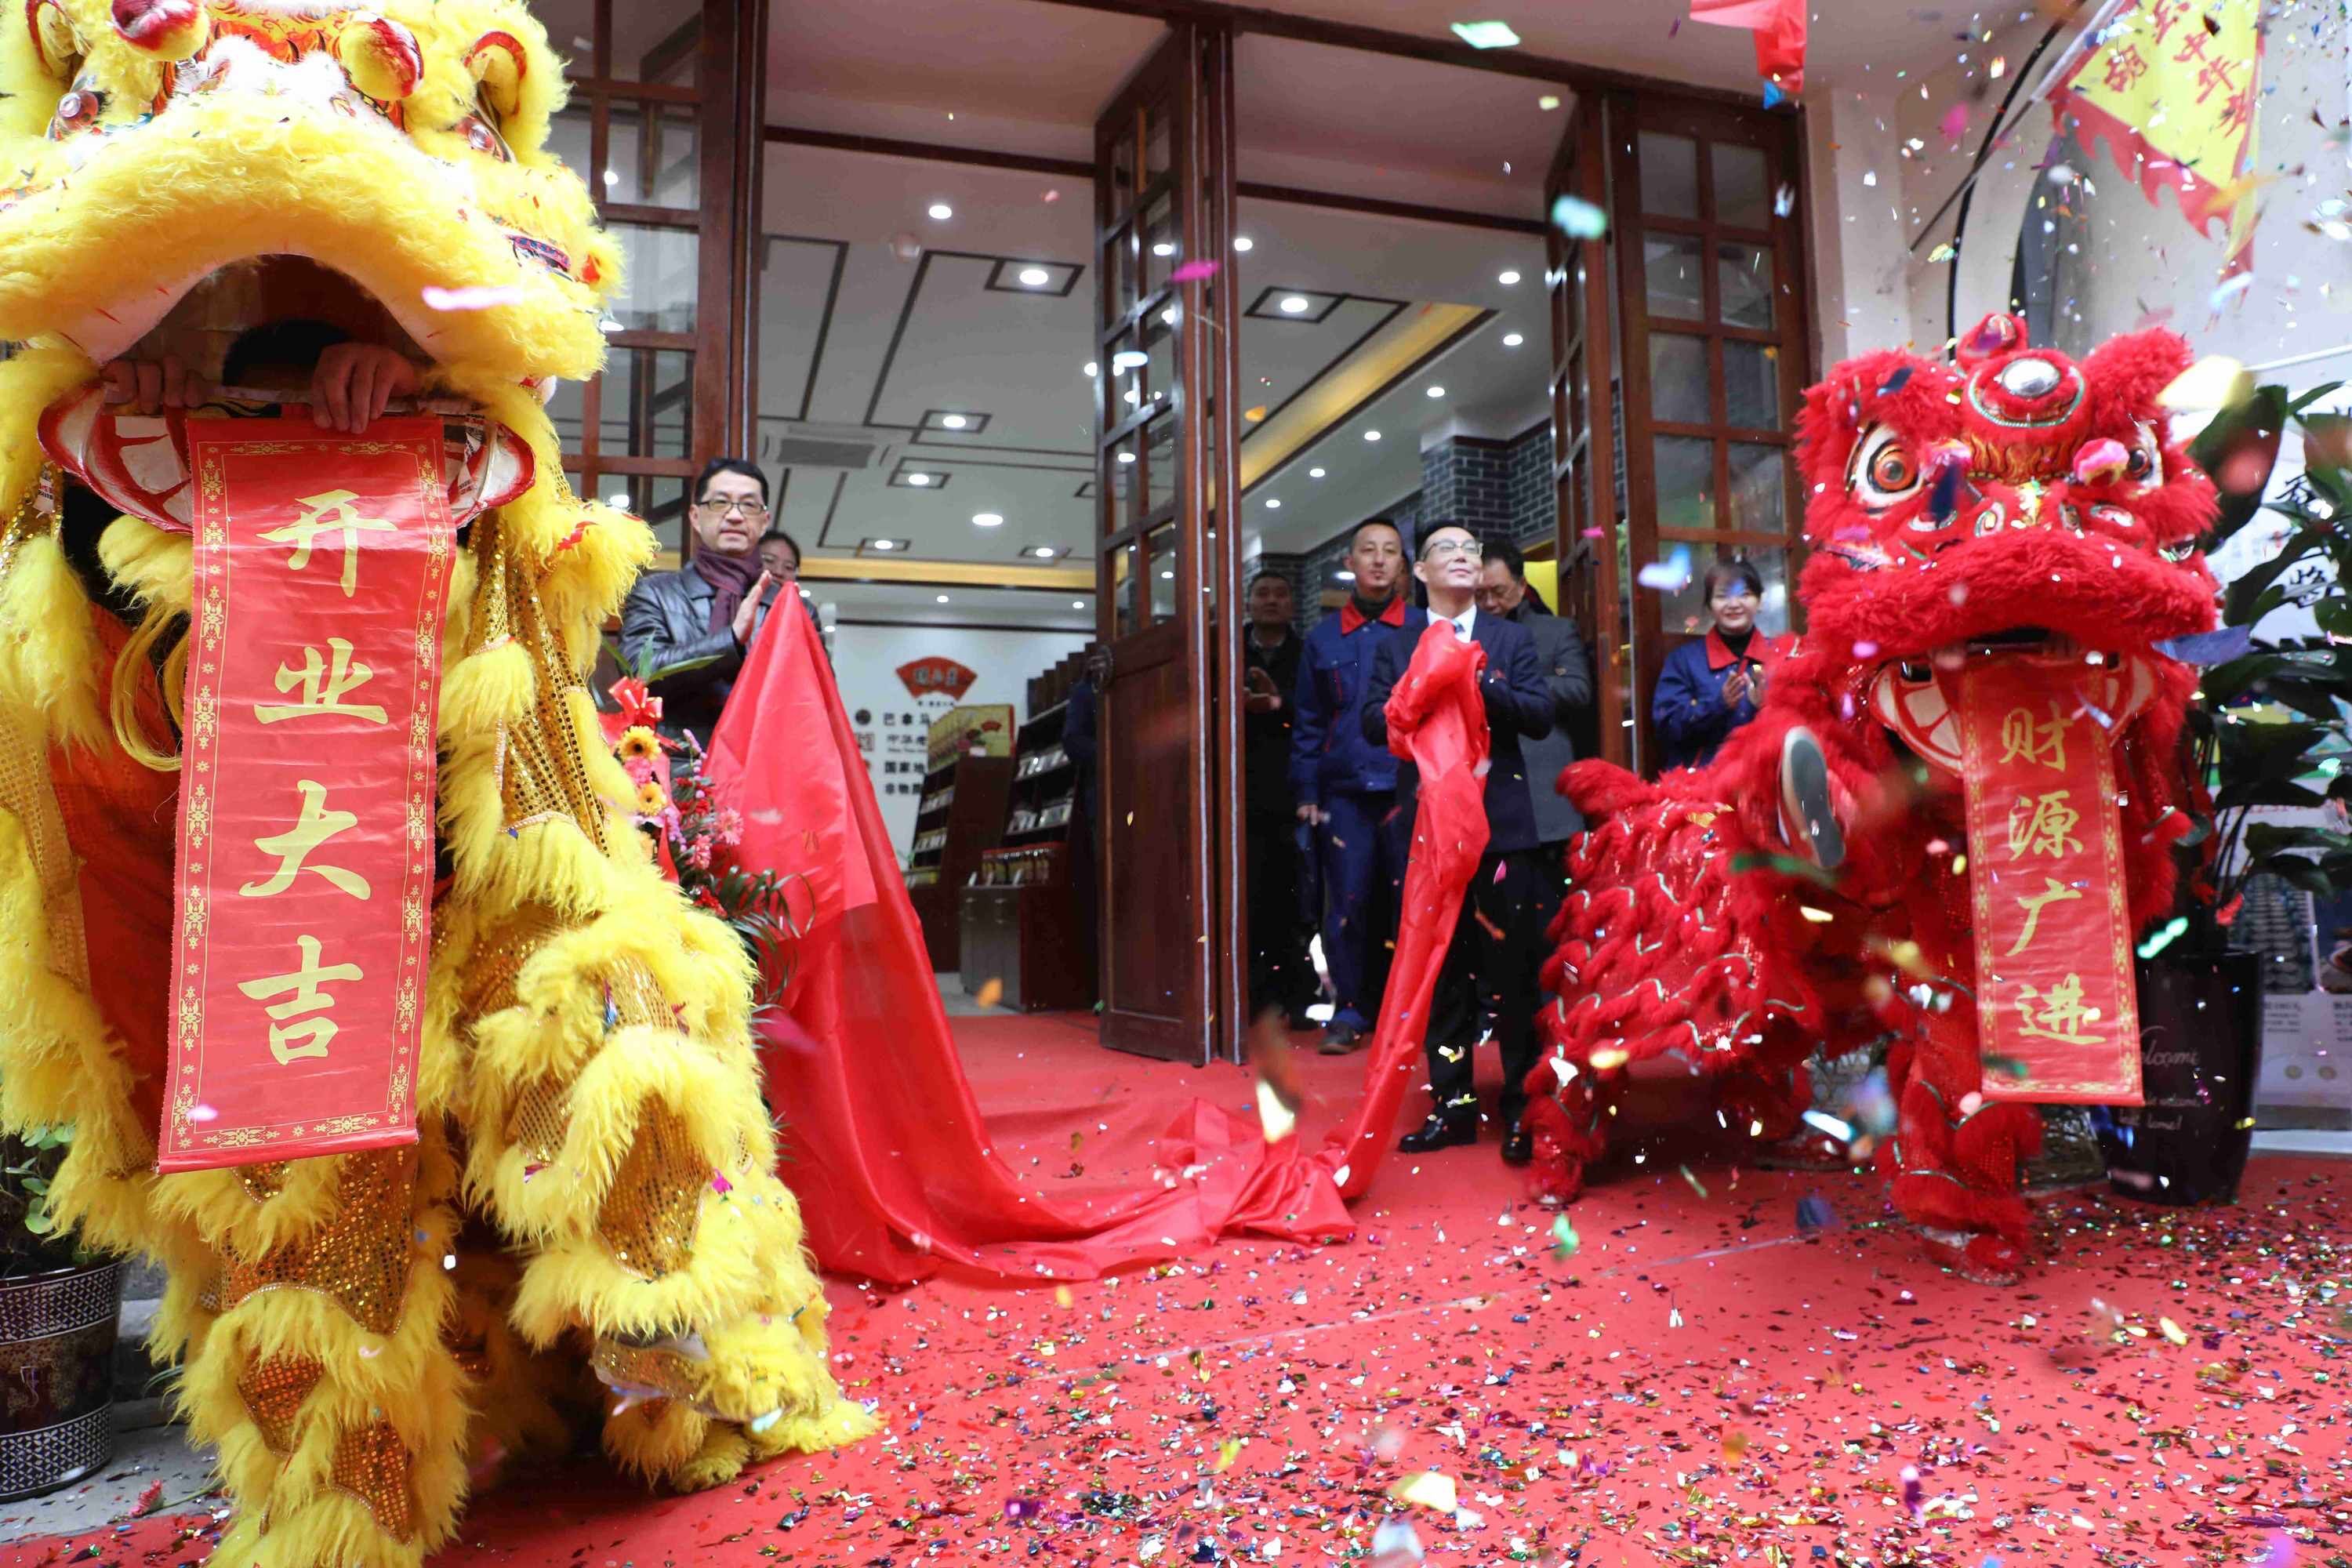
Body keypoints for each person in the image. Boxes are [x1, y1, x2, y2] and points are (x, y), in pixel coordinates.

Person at [1363, 524, 1555, 1161]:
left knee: (1515, 973)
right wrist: (1422, 685)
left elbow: (1539, 715)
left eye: (1471, 549)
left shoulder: (1509, 638)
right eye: (1447, 548)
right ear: (1419, 573)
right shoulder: (1397, 644)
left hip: (1501, 829)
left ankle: (1524, 1108)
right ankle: (1454, 1106)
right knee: (1442, 975)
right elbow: (1371, 722)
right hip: (1428, 831)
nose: (1464, 557)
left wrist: (1476, 683)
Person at [1287, 517, 1412, 1054]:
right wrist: (1307, 793)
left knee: (1409, 903)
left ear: (1403, 564)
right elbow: (1308, 722)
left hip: (1409, 787)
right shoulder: (1321, 639)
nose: (1379, 560)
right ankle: (1351, 1010)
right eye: (1369, 551)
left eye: (1390, 551)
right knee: (1346, 904)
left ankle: (1409, 1012)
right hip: (1344, 792)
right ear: (1350, 562)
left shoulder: (1423, 629)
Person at [619, 457, 782, 743]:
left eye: (749, 505)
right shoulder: (655, 593)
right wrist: (730, 640)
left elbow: (810, 699)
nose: (735, 516)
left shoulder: (789, 606)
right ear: (695, 516)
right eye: (720, 503)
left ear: (764, 521)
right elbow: (639, 676)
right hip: (679, 761)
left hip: (763, 759)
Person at [1476, 539, 1593, 866]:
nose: (1490, 603)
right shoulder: (1466, 635)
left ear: (1522, 585)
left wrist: (1512, 687)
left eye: (1499, 591)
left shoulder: (1555, 631)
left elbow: (1578, 688)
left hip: (1541, 783)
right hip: (1484, 783)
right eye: (1480, 594)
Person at [1241, 570, 1318, 1029]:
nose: (1271, 601)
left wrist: (1278, 704)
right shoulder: (1227, 652)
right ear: (1248, 603)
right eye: (1262, 593)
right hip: (1240, 794)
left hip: (1295, 792)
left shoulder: (1308, 652)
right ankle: (1251, 999)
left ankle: (1299, 996)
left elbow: (1320, 711)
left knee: (1296, 902)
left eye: (1280, 593)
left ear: (1292, 604)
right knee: (1248, 899)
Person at [1652, 558, 1791, 773]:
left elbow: (1804, 728)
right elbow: (1666, 728)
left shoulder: (1783, 656)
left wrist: (1766, 707)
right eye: (1722, 596)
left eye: (1744, 594)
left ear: (1760, 601)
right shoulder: (1683, 661)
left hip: (1766, 778)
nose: (1734, 604)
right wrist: (1718, 705)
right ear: (1709, 606)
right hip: (1703, 784)